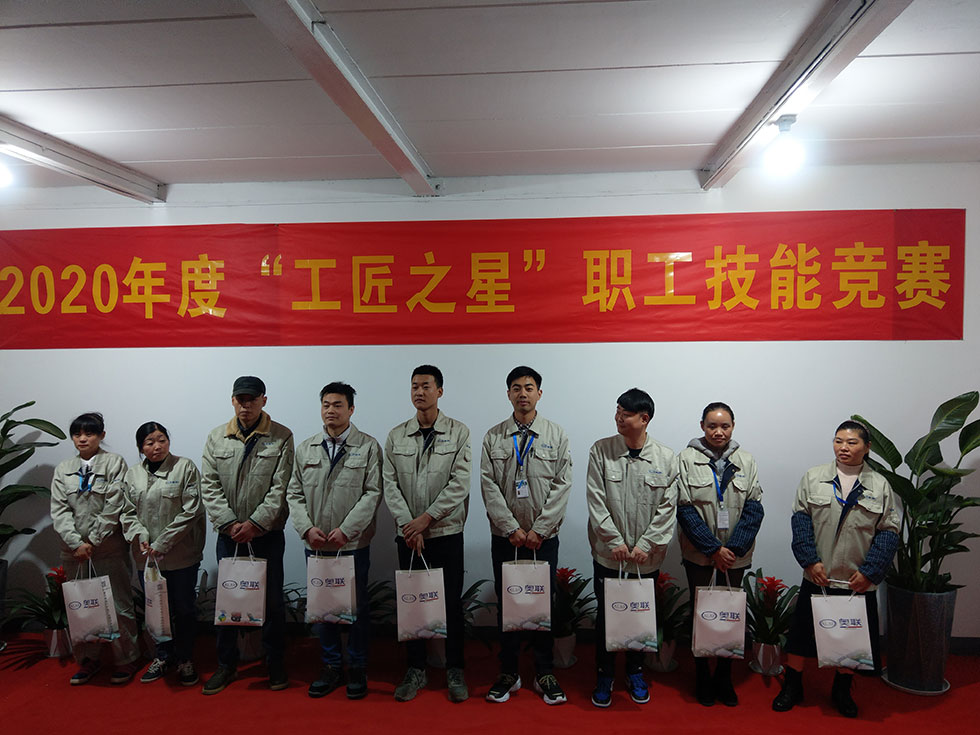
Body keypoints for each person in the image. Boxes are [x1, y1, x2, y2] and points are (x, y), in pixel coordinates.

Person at [772, 420, 900, 718]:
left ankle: (842, 690)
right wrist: (809, 561)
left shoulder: (879, 485)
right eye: (838, 441)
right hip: (819, 575)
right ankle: (792, 686)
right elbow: (800, 521)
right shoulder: (814, 477)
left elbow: (888, 532)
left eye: (852, 442)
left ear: (867, 447)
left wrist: (870, 572)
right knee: (801, 637)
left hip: (858, 580)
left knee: (850, 640)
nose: (844, 447)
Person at [481, 366, 573, 705]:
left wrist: (539, 530)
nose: (523, 393)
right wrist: (511, 528)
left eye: (529, 387)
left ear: (539, 393)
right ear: (508, 394)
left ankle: (544, 671)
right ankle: (509, 672)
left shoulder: (556, 435)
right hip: (506, 538)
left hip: (542, 540)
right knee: (507, 604)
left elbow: (562, 485)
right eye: (516, 388)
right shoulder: (493, 437)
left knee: (541, 604)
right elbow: (488, 485)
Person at [288, 382, 383, 700]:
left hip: (352, 545)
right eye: (326, 404)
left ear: (351, 409)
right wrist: (306, 529)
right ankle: (330, 665)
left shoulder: (368, 447)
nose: (331, 410)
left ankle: (357, 665)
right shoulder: (306, 448)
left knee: (356, 607)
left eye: (338, 405)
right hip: (316, 544)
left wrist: (348, 530)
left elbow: (373, 493)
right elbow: (294, 493)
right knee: (323, 607)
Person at [200, 376, 294, 695]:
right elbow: (209, 485)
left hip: (266, 534)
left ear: (263, 400)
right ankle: (226, 664)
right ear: (232, 400)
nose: (246, 405)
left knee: (272, 602)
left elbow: (281, 487)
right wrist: (229, 523)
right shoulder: (217, 437)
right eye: (240, 399)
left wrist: (255, 523)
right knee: (229, 600)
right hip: (229, 536)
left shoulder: (281, 436)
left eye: (252, 399)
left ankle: (275, 661)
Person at [383, 365, 472, 703]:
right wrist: (410, 524)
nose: (419, 392)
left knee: (451, 604)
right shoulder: (396, 436)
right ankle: (416, 668)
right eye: (414, 386)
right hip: (409, 535)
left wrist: (426, 519)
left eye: (426, 386)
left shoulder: (459, 432)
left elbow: (460, 484)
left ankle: (455, 668)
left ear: (440, 391)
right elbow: (390, 485)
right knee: (413, 604)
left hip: (446, 532)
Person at [586, 389, 678, 708]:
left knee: (640, 615)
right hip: (609, 556)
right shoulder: (601, 450)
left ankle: (636, 671)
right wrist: (614, 541)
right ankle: (605, 673)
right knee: (606, 617)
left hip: (645, 559)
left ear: (644, 418)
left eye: (625, 414)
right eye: (617, 411)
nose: (618, 418)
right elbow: (596, 500)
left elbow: (667, 508)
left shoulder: (666, 458)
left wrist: (646, 545)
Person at [676, 402, 764, 707]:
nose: (718, 432)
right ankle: (702, 674)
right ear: (702, 426)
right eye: (712, 426)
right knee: (701, 612)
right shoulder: (685, 460)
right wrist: (713, 549)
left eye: (724, 426)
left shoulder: (746, 460)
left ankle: (724, 676)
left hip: (736, 555)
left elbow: (754, 507)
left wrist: (732, 549)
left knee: (730, 614)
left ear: (733, 426)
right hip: (699, 554)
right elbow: (684, 508)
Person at [50, 412, 141, 685]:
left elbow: (115, 504)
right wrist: (77, 543)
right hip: (74, 553)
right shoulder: (64, 469)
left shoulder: (114, 463)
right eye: (77, 434)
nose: (82, 439)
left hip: (108, 549)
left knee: (118, 606)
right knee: (82, 607)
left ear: (101, 435)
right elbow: (59, 511)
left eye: (89, 433)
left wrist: (93, 540)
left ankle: (126, 658)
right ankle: (88, 659)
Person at [120, 421, 207, 686]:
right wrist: (141, 536)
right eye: (150, 442)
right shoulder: (132, 474)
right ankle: (162, 656)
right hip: (147, 558)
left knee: (184, 608)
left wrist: (163, 542)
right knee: (156, 609)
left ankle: (185, 658)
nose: (157, 446)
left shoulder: (184, 467)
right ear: (140, 448)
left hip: (181, 556)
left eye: (162, 440)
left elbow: (192, 510)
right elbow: (126, 512)